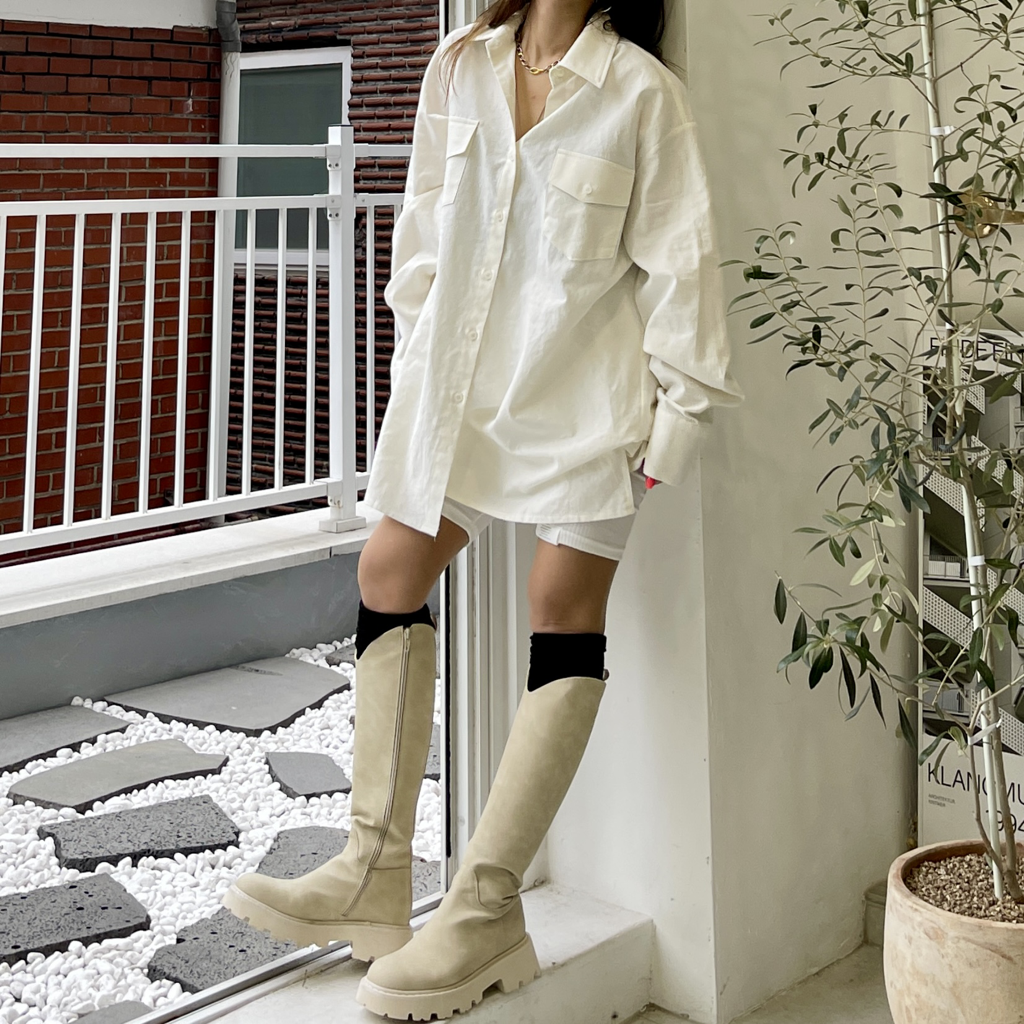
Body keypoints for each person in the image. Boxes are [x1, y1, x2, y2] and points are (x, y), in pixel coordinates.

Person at [222, 0, 744, 1018]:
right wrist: (416, 363)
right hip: (462, 395)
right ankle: (374, 871)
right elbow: (422, 235)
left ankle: (487, 910)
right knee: (388, 570)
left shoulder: (642, 93)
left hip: (588, 403)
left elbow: (684, 272)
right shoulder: (457, 66)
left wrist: (668, 438)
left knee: (560, 605)